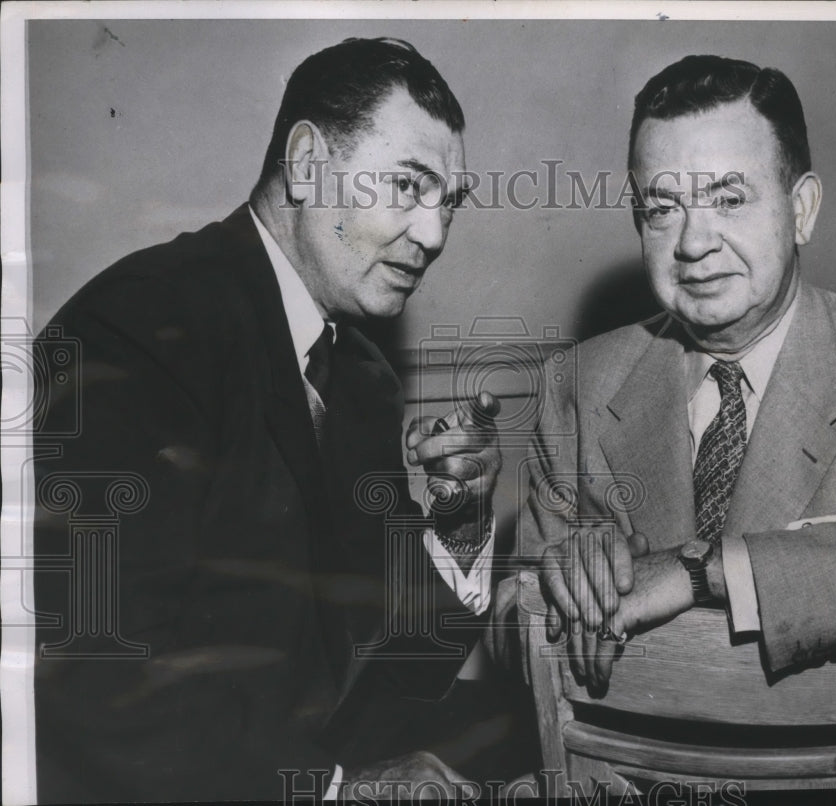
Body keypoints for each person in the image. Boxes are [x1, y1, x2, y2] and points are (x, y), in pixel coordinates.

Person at [32, 38, 501, 803]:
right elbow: (97, 677)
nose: (435, 235)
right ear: (309, 163)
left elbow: (410, 673)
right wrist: (340, 790)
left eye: (448, 202)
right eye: (409, 187)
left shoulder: (361, 380)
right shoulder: (139, 330)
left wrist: (459, 525)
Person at [520, 55, 836, 785]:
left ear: (801, 209)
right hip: (625, 769)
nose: (693, 243)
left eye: (729, 198)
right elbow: (505, 637)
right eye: (662, 206)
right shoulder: (575, 385)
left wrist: (697, 570)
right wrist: (558, 582)